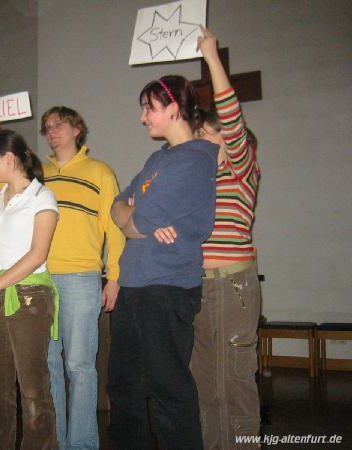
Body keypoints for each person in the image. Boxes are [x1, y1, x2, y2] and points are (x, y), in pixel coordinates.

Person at [0, 107, 125, 450]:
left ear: (78, 129)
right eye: (47, 127)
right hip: (38, 281)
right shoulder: (39, 175)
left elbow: (115, 230)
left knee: (79, 365)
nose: (52, 131)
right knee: (46, 368)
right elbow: (3, 187)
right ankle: (55, 442)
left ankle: (82, 444)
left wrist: (114, 277)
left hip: (80, 277)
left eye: (59, 124)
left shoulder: (100, 172)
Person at [108, 75, 219, 450]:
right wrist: (133, 218)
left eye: (149, 108)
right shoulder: (158, 159)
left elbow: (136, 219)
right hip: (135, 284)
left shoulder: (197, 159)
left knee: (168, 390)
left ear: (174, 109)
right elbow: (118, 206)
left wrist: (134, 218)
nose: (142, 118)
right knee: (123, 387)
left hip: (167, 287)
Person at [189, 26, 262, 449]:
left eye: (206, 136)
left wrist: (210, 56)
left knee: (234, 378)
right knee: (203, 379)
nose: (199, 142)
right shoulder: (199, 179)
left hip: (234, 284)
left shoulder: (241, 170)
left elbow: (232, 119)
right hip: (196, 284)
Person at [0, 129, 59, 450]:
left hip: (28, 296)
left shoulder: (41, 197)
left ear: (9, 159)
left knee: (33, 389)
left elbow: (38, 254)